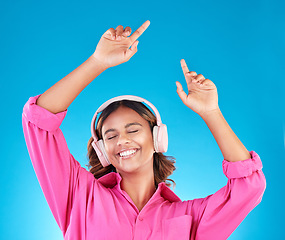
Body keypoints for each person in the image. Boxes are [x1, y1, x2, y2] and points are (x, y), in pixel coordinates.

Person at [22, 20, 266, 240]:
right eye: (111, 135)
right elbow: (38, 121)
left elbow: (249, 187)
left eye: (133, 129)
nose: (122, 141)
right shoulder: (80, 196)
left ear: (157, 138)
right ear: (103, 150)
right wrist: (97, 62)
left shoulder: (189, 217)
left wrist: (211, 112)